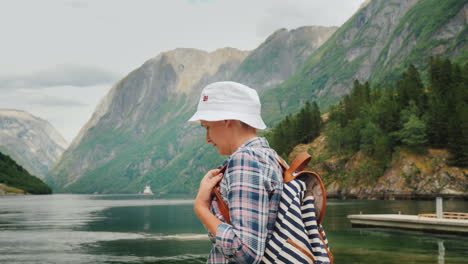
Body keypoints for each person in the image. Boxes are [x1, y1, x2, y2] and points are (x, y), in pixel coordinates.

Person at [188, 81, 284, 263]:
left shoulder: (245, 160)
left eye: (207, 127)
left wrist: (201, 206)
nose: (207, 139)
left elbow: (245, 252)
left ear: (227, 120)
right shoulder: (271, 157)